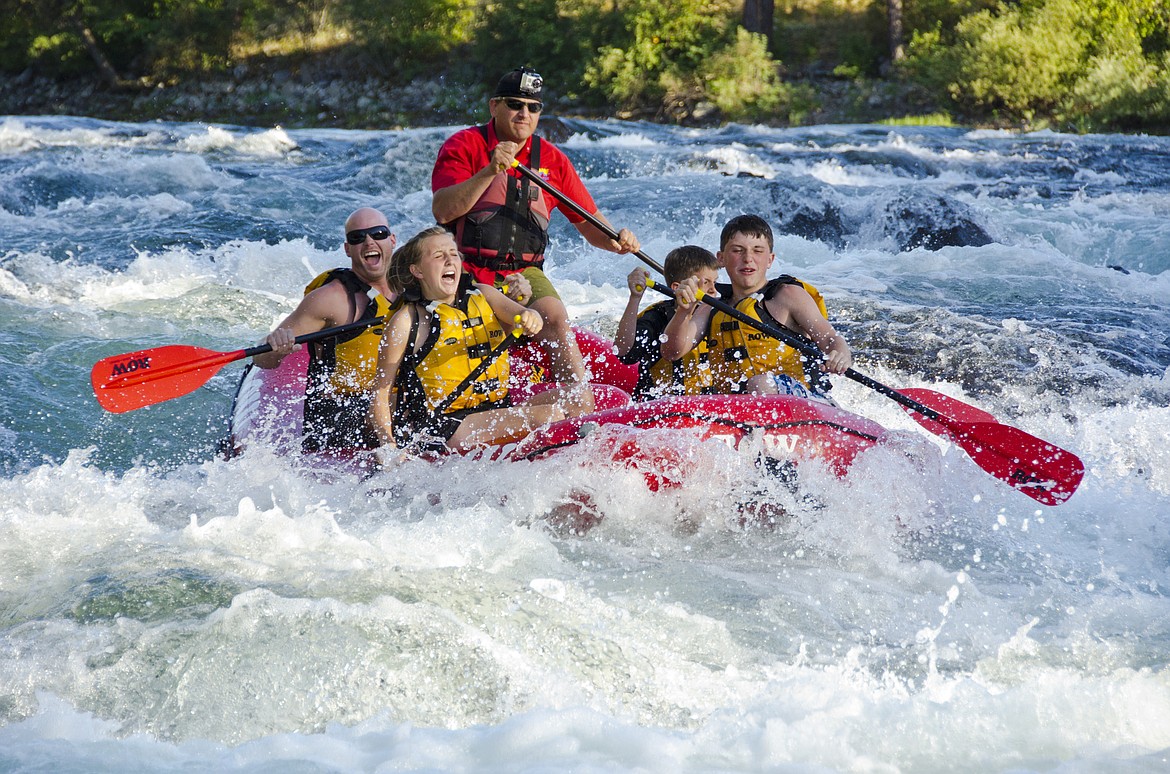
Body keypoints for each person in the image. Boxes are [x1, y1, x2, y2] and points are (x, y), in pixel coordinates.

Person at [430, 66, 641, 415]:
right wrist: (490, 170)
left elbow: (590, 224)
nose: (524, 114)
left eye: (533, 107)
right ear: (493, 106)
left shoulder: (553, 161)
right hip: (467, 268)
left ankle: (579, 407)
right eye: (514, 104)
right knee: (500, 314)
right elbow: (443, 211)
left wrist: (618, 239)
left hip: (525, 271)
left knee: (555, 315)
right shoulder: (464, 146)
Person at [369, 226, 566, 456]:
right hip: (444, 427)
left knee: (579, 399)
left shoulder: (483, 294)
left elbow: (524, 316)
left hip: (495, 409)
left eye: (453, 254)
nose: (449, 260)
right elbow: (380, 393)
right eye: (438, 255)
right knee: (550, 415)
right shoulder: (407, 320)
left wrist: (530, 317)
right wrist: (388, 446)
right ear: (418, 271)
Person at [254, 207, 399, 452]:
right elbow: (262, 359)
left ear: (392, 240)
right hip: (340, 416)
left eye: (378, 233)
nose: (369, 241)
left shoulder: (413, 287)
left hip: (391, 401)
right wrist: (277, 346)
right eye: (357, 237)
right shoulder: (331, 299)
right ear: (347, 249)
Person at [662, 214, 852, 399]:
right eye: (737, 250)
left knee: (760, 384)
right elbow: (672, 352)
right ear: (721, 259)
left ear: (770, 259)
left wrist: (839, 356)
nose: (748, 258)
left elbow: (830, 339)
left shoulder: (787, 295)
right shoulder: (711, 308)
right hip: (740, 410)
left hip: (803, 401)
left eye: (758, 251)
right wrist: (683, 313)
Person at [614, 246, 720, 401]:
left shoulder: (717, 314)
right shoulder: (658, 316)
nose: (713, 290)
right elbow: (624, 353)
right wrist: (635, 298)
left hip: (709, 405)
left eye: (715, 283)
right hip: (661, 406)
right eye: (706, 283)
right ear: (677, 288)